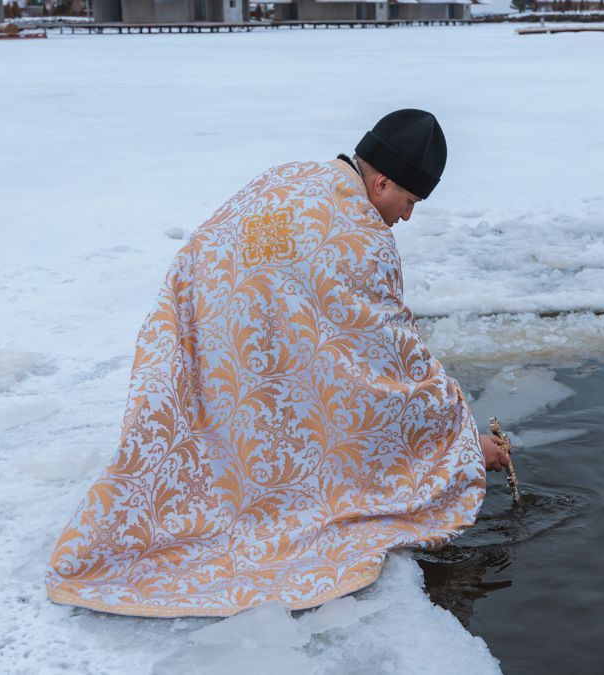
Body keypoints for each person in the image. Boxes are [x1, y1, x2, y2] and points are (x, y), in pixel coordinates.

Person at [46, 109, 509, 618]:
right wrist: (463, 445)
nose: (406, 217)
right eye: (409, 201)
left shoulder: (285, 177)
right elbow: (390, 368)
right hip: (243, 335)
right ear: (381, 182)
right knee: (301, 475)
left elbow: (199, 255)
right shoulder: (363, 236)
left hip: (207, 335)